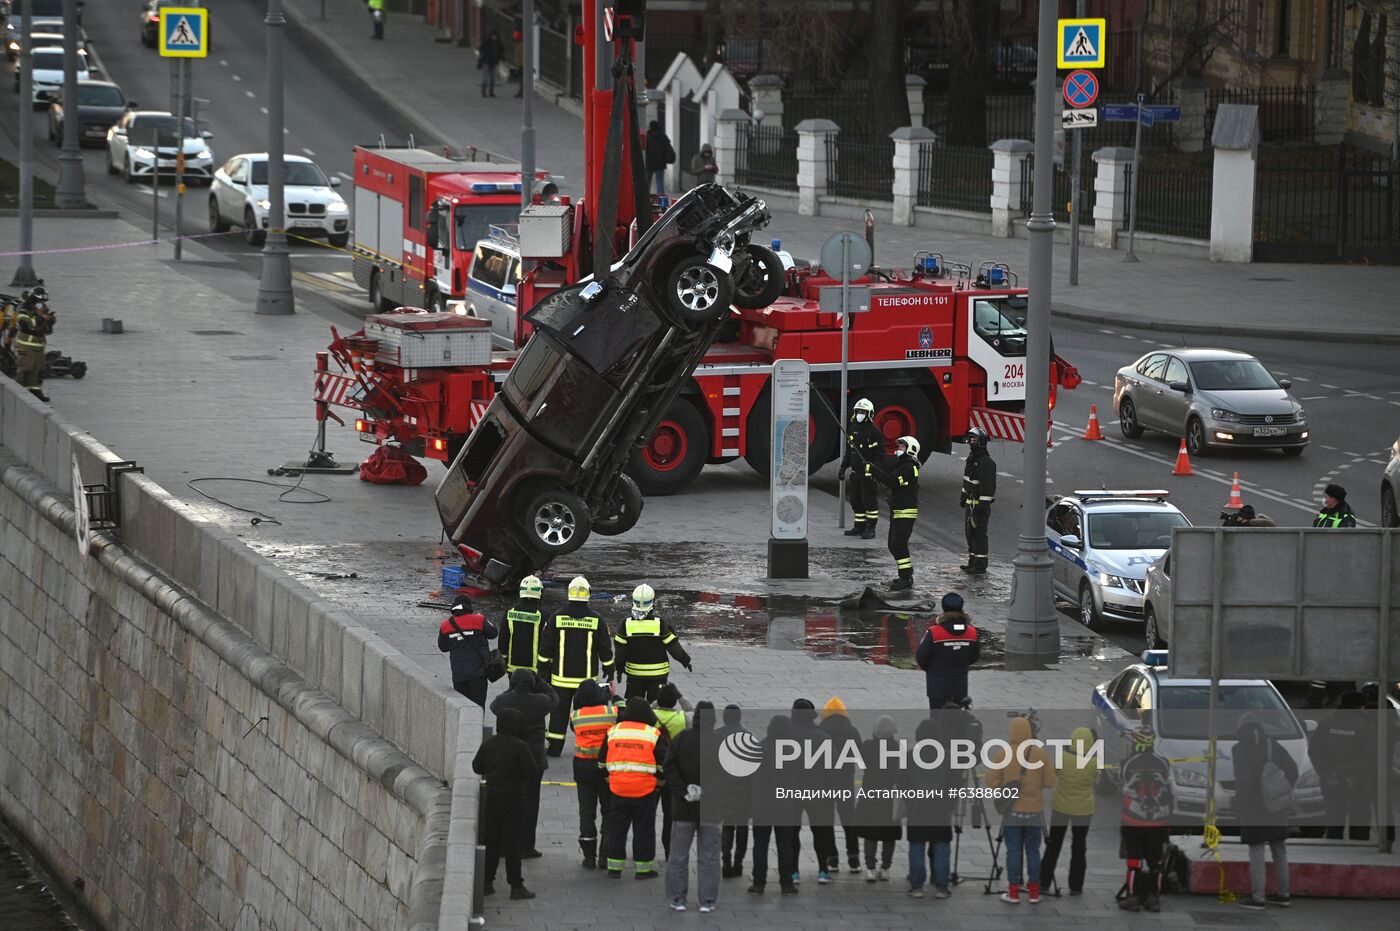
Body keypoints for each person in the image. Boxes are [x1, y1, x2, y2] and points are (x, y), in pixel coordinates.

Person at [539, 576, 614, 756]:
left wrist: (542, 673)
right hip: (586, 681)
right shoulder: (597, 620)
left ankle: (555, 748)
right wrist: (610, 673)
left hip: (560, 679)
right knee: (588, 715)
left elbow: (545, 649)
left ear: (569, 594)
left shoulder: (556, 618)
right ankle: (589, 745)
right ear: (588, 594)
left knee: (558, 714)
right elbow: (605, 650)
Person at [984, 715, 1054, 905]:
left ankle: (1013, 891)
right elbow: (1049, 781)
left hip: (1012, 812)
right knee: (1033, 851)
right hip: (1034, 812)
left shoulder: (1003, 754)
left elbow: (991, 781)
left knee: (1013, 851)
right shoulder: (1040, 754)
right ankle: (1033, 892)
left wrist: (1005, 789)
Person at [489, 669, 557, 858]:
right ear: (531, 684)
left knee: (507, 802)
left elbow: (494, 705)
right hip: (534, 758)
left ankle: (504, 846)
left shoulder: (504, 702)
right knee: (530, 803)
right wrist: (540, 681)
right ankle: (526, 846)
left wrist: (510, 689)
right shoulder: (540, 701)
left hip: (509, 759)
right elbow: (554, 698)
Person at [471, 708, 538, 899]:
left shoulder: (489, 743)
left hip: (492, 797)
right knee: (512, 842)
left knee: (491, 839)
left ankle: (486, 883)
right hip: (513, 799)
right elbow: (532, 772)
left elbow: (477, 766)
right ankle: (516, 886)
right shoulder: (520, 746)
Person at [1234, 713, 1296, 910]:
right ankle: (1284, 895)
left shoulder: (1239, 749)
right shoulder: (1273, 745)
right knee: (1279, 849)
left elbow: (1243, 782)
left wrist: (1240, 806)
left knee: (1257, 851)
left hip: (1253, 808)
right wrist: (1280, 791)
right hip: (1276, 806)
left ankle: (1258, 898)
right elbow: (1292, 769)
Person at [600, 697, 667, 879]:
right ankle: (643, 869)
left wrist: (608, 778)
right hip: (644, 791)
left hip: (618, 789)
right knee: (643, 830)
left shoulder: (613, 731)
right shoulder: (653, 734)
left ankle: (614, 868)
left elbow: (601, 760)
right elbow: (662, 764)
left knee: (617, 829)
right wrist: (660, 781)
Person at [665, 701, 721, 913]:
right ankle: (707, 901)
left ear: (695, 716)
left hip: (683, 808)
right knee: (710, 856)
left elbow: (669, 767)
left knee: (678, 855)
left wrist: (683, 791)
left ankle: (677, 899)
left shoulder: (682, 738)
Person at [1117, 723, 1173, 913]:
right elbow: (1169, 787)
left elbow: (1120, 782)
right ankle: (1153, 898)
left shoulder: (1128, 763)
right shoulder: (1164, 762)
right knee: (1155, 861)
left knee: (1134, 860)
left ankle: (1133, 897)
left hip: (1133, 819)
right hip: (1158, 820)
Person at [1040, 726, 1100, 895]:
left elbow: (1053, 775)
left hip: (1061, 807)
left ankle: (1044, 881)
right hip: (1084, 809)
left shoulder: (1062, 758)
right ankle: (1076, 886)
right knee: (1079, 847)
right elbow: (1095, 777)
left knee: (1054, 844)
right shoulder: (1094, 762)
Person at [787, 699, 839, 884]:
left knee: (792, 832)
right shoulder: (822, 737)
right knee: (821, 831)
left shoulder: (786, 737)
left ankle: (793, 871)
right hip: (819, 791)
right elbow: (833, 767)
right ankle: (823, 870)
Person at [614, 584, 692, 702]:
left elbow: (620, 651)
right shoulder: (660, 624)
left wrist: (619, 668)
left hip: (635, 675)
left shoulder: (625, 624)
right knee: (656, 708)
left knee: (634, 707)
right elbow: (673, 647)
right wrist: (685, 660)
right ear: (652, 602)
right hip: (658, 675)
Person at [748, 715, 799, 896]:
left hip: (762, 804)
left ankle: (758, 882)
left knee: (760, 844)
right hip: (785, 805)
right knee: (785, 844)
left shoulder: (760, 747)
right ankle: (787, 883)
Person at [862, 435, 920, 591]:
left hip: (905, 513)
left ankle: (906, 577)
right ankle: (903, 575)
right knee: (892, 544)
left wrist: (872, 469)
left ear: (910, 450)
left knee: (898, 545)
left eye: (902, 447)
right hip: (898, 511)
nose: (898, 449)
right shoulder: (903, 465)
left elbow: (892, 481)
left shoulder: (908, 467)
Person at [569, 680, 617, 869]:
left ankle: (589, 857)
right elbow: (623, 711)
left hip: (583, 769)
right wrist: (611, 696)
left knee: (586, 813)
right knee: (609, 811)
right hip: (606, 769)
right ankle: (605, 854)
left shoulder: (575, 716)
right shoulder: (610, 713)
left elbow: (574, 726)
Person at [904, 716, 954, 899]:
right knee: (941, 847)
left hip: (917, 808)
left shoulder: (910, 755)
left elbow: (902, 782)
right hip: (940, 809)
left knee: (916, 847)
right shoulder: (948, 755)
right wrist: (950, 803)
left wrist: (909, 801)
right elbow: (955, 783)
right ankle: (942, 887)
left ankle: (917, 886)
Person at [856, 715, 902, 882]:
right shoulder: (897, 748)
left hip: (870, 793)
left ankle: (870, 868)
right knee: (889, 833)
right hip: (889, 793)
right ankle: (885, 867)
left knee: (870, 833)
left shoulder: (867, 746)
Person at [914, 593, 980, 709]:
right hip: (960, 684)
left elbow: (921, 657)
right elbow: (975, 656)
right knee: (958, 720)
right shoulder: (971, 632)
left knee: (937, 719)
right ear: (961, 609)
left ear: (944, 609)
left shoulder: (934, 632)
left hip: (937, 684)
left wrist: (933, 670)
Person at [820, 697, 863, 873]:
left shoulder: (820, 731)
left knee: (827, 820)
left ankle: (832, 858)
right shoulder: (852, 731)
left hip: (826, 782)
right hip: (845, 781)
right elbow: (859, 756)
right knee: (848, 819)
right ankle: (853, 858)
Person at [437, 595, 497, 707]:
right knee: (478, 706)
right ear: (469, 607)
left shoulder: (446, 625)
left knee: (461, 706)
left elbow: (443, 647)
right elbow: (493, 633)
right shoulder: (479, 620)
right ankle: (477, 724)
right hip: (478, 673)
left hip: (459, 674)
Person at [654, 683, 690, 860]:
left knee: (647, 814)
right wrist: (679, 695)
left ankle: (645, 850)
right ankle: (669, 850)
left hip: (652, 773)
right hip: (673, 774)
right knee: (670, 815)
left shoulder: (650, 716)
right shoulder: (683, 718)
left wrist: (657, 699)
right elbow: (692, 710)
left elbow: (644, 706)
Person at [716, 704, 753, 879]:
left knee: (728, 825)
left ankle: (726, 861)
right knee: (742, 826)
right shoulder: (748, 736)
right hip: (744, 790)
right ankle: (738, 862)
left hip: (723, 789)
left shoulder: (717, 735)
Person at [839, 398, 882, 539]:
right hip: (855, 473)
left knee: (868, 500)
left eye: (863, 412)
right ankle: (859, 526)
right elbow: (849, 452)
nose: (860, 414)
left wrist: (875, 472)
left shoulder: (874, 432)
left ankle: (871, 528)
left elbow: (880, 456)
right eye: (858, 412)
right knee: (855, 500)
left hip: (868, 474)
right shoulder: (853, 429)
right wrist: (843, 468)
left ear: (869, 414)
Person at [960, 427, 996, 574]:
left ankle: (980, 565)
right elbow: (967, 481)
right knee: (970, 534)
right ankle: (972, 562)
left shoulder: (986, 463)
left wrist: (981, 507)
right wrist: (963, 496)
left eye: (974, 439)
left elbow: (988, 488)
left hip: (979, 507)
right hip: (971, 505)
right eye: (971, 439)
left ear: (981, 442)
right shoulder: (972, 459)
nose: (971, 442)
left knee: (979, 535)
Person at [13, 288, 54, 403]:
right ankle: (21, 395)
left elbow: (46, 329)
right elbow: (24, 324)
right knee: (25, 370)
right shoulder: (24, 308)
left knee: (38, 370)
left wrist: (49, 320)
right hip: (27, 345)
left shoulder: (38, 308)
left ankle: (36, 391)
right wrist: (41, 318)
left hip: (39, 344)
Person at [499, 574, 546, 674]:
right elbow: (547, 643)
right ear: (539, 593)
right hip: (536, 671)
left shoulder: (509, 612)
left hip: (513, 669)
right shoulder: (544, 615)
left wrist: (504, 661)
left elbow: (503, 640)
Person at [644, 120, 676, 197]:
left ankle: (645, 197)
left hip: (649, 163)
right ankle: (661, 199)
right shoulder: (663, 136)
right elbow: (667, 148)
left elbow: (645, 149)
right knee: (660, 182)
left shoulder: (648, 136)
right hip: (660, 162)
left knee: (647, 182)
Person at [478, 30, 504, 97]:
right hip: (486, 62)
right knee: (485, 78)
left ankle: (491, 92)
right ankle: (484, 91)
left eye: (495, 36)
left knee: (492, 78)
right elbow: (481, 49)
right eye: (493, 35)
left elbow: (501, 51)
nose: (494, 37)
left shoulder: (498, 43)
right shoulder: (487, 42)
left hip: (494, 63)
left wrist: (501, 58)